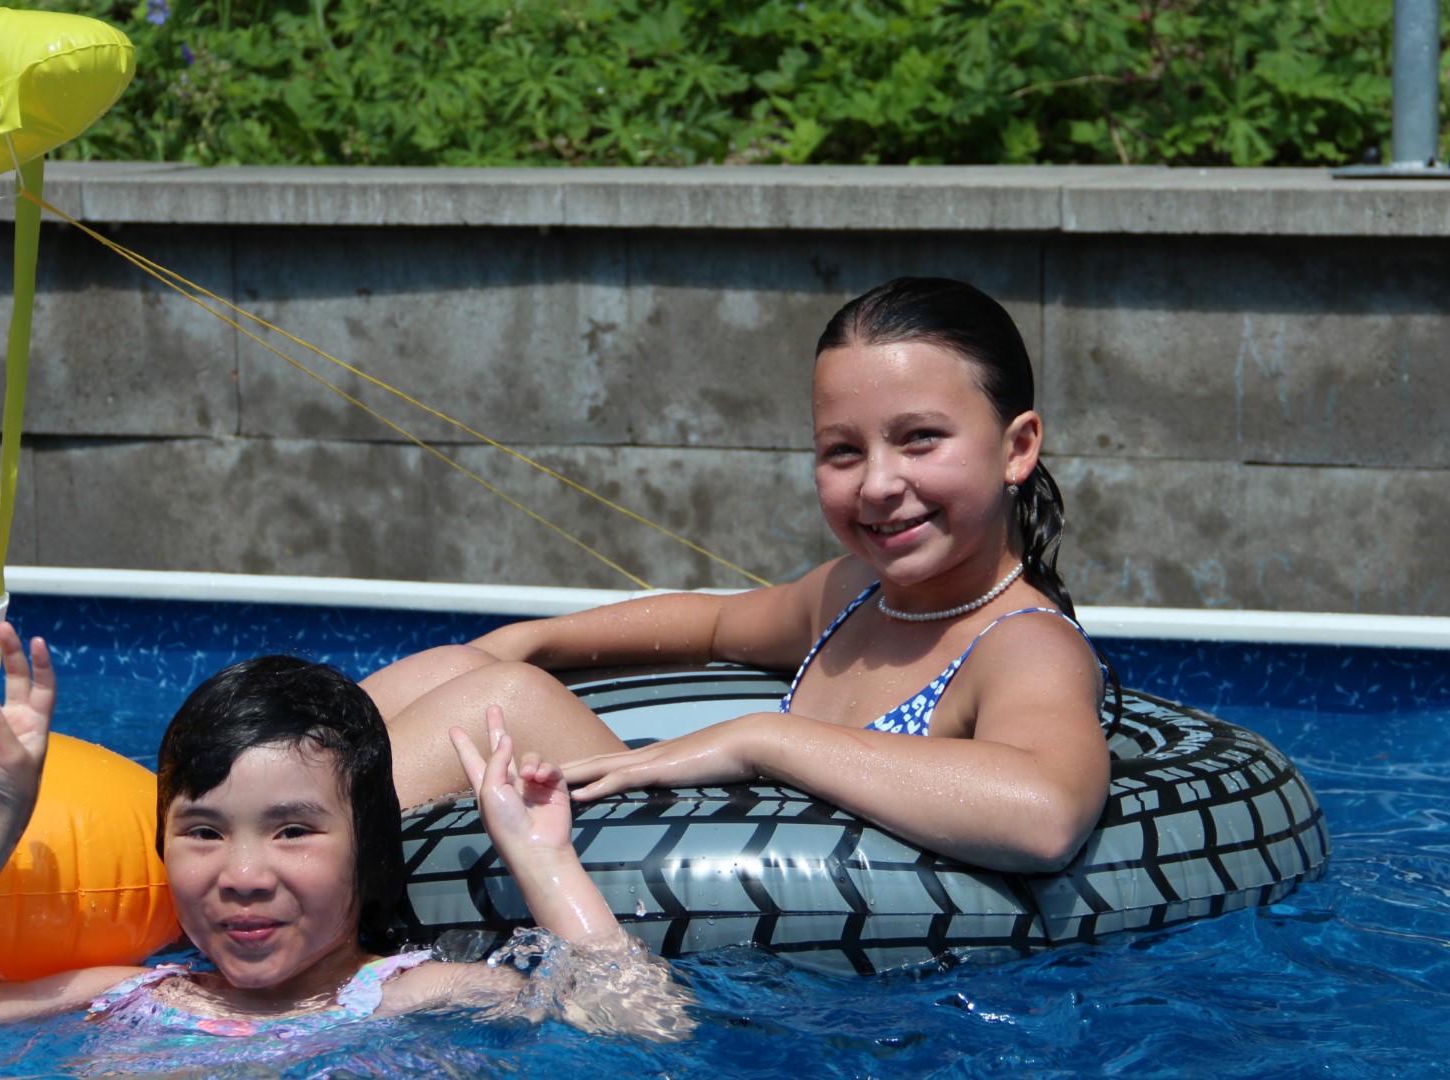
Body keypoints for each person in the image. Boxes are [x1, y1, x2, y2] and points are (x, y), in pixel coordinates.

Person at [366, 277, 1112, 873]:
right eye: (843, 451)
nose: (879, 483)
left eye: (920, 439)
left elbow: (1046, 815)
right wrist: (533, 639)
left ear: (1017, 447)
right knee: (460, 666)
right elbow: (713, 622)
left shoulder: (1022, 645)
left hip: (752, 925)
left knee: (503, 700)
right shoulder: (850, 595)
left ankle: (316, 852)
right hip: (696, 877)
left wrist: (765, 741)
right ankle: (303, 825)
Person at [0, 623, 689, 1039]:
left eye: (292, 833)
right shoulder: (123, 995)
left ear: (368, 851)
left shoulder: (420, 995)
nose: (242, 874)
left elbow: (647, 1026)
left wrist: (542, 860)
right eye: (203, 833)